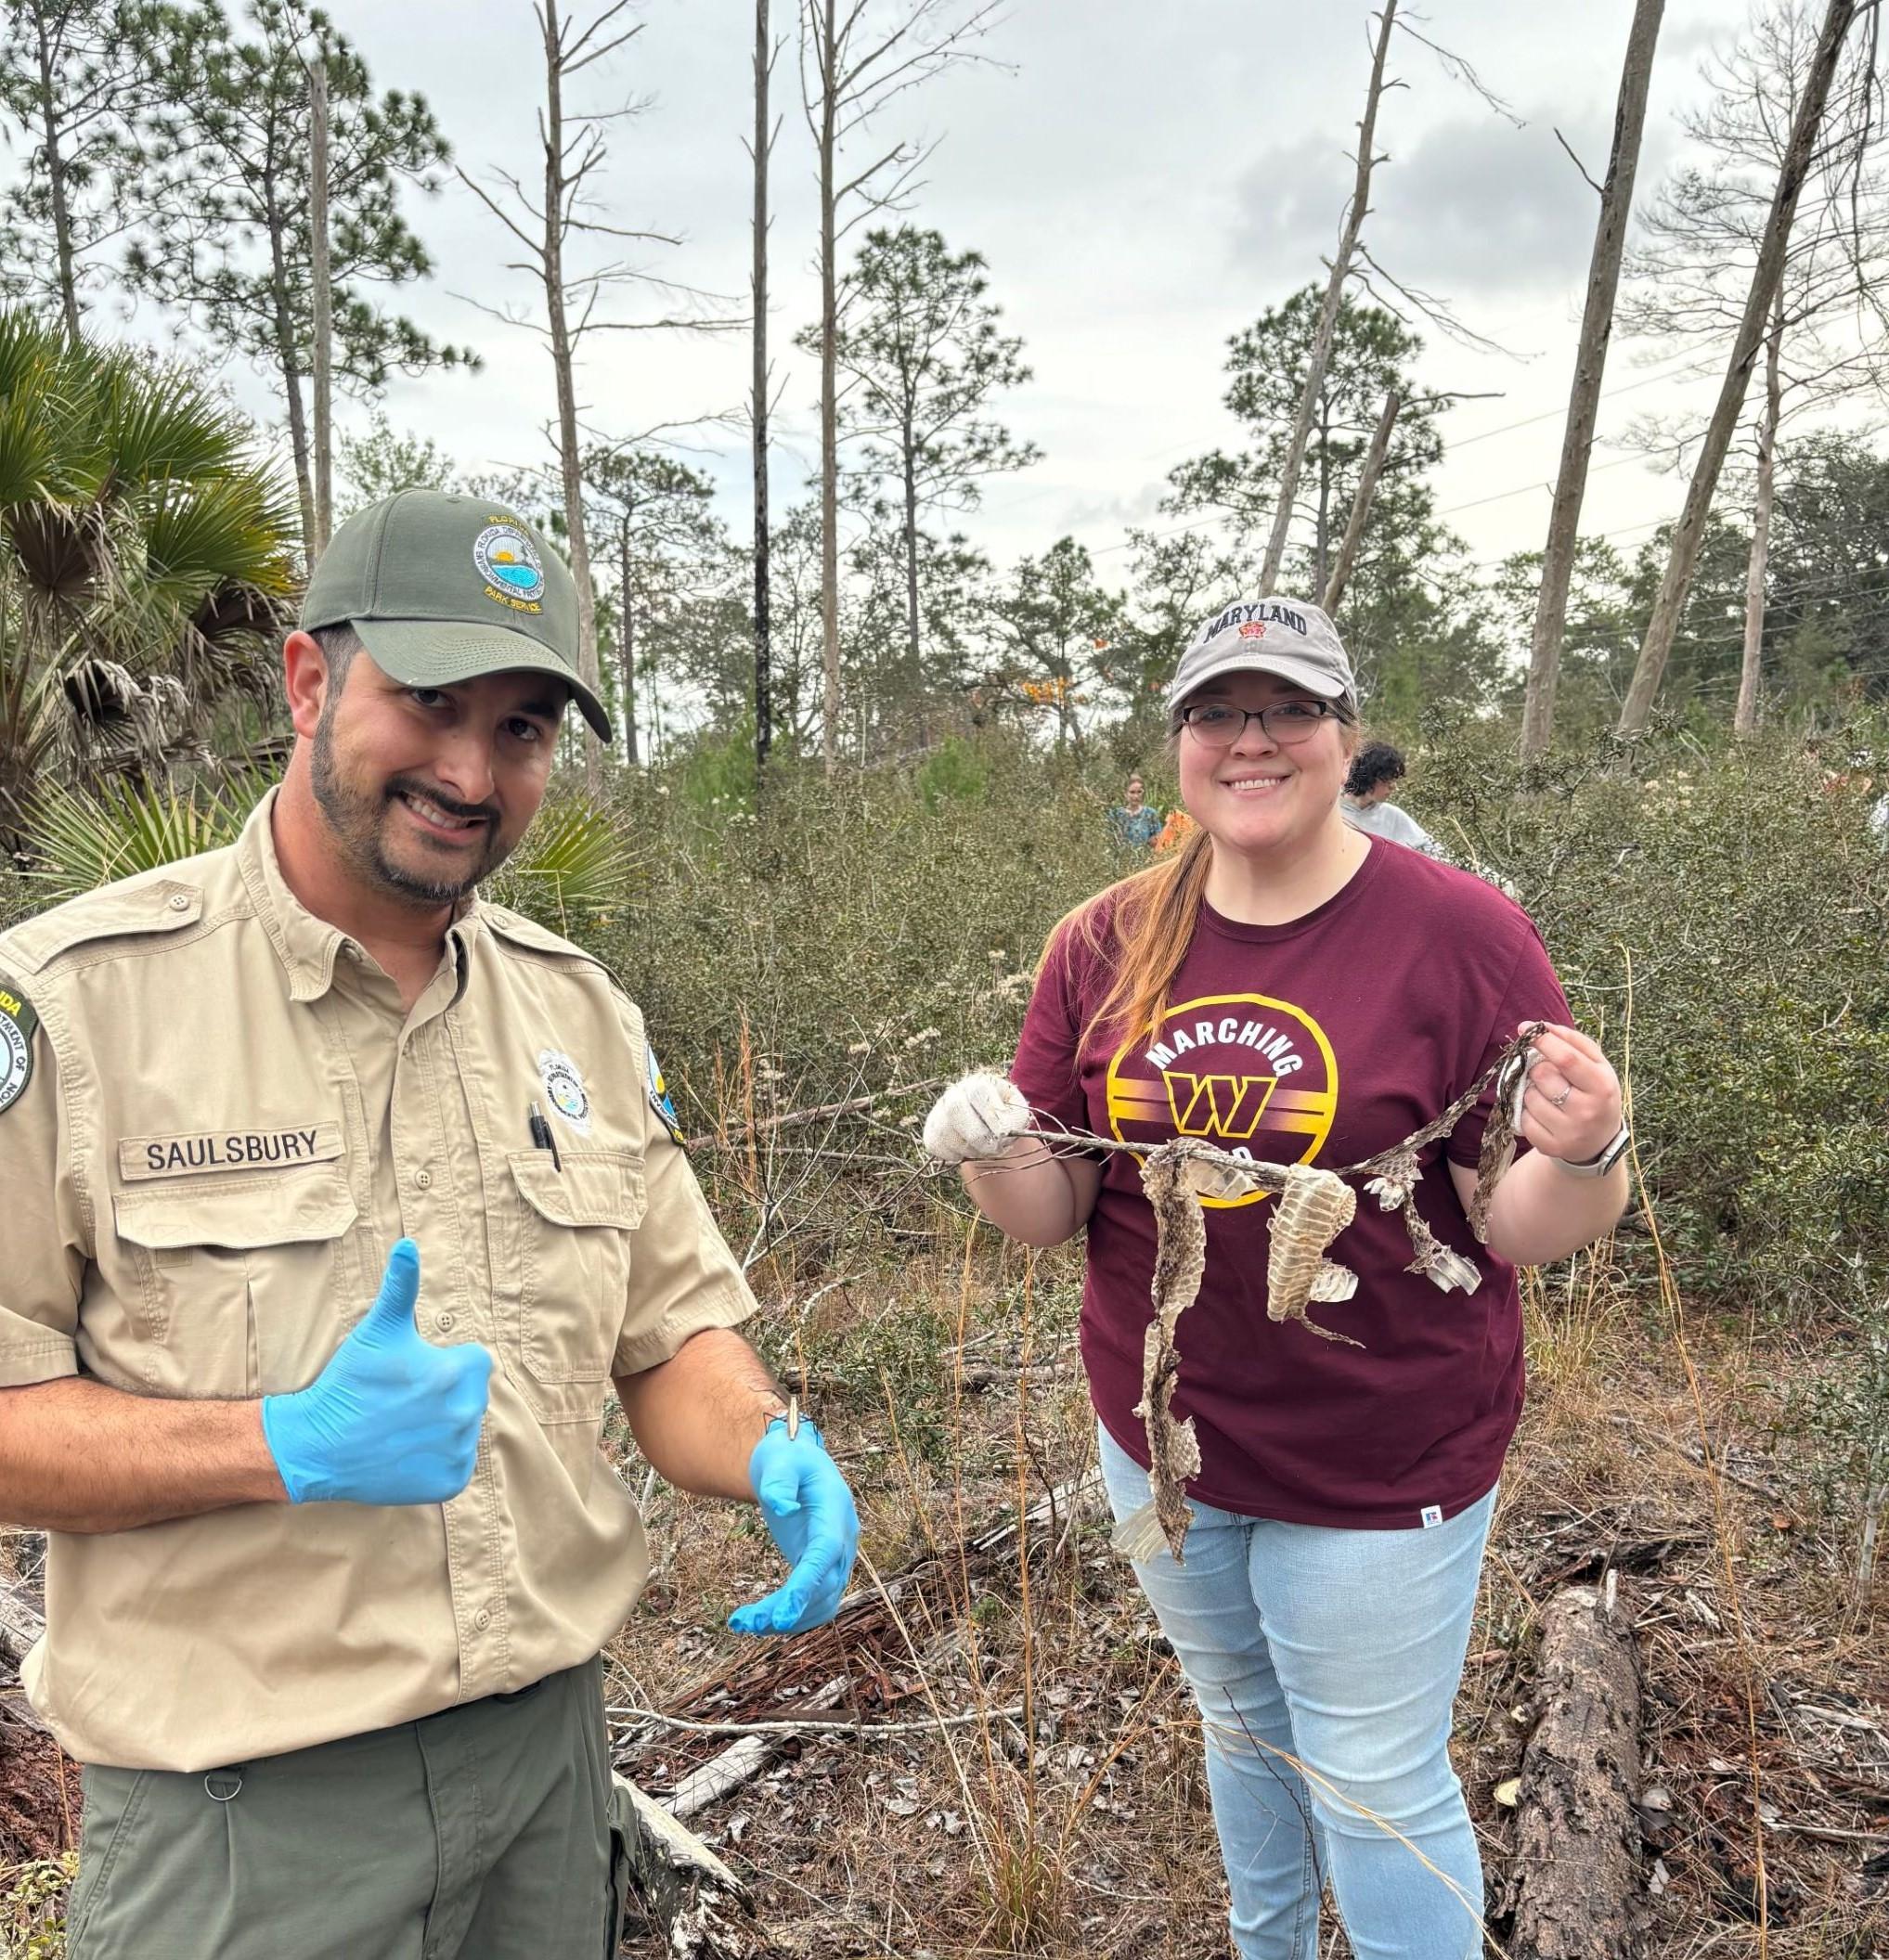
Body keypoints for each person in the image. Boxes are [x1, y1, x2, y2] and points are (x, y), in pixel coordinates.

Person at [0, 490, 860, 1960]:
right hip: (245, 1829)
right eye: (431, 703)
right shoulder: (76, 1011)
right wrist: (273, 1446)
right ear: (309, 681)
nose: (469, 769)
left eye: (521, 727)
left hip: (546, 1778)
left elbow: (668, 1337)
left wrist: (767, 1438)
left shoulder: (576, 1009)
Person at [923, 596, 1628, 1960]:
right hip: (1168, 1446)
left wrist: (1590, 1147)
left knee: (1368, 1778)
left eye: (1287, 709)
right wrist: (987, 1149)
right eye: (1216, 713)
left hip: (1381, 1450)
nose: (1251, 741)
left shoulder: (1461, 934)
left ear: (1341, 735)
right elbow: (1054, 1208)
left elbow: (1511, 1226)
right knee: (1238, 1720)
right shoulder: (1102, 939)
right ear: (1179, 743)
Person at [1340, 739, 1442, 855]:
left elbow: (1433, 849)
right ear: (1370, 777)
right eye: (1388, 780)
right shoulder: (1333, 812)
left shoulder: (1391, 816)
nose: (1393, 787)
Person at [1107, 773, 1163, 849]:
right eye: (1132, 792)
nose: (1136, 796)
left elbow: (1159, 839)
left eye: (1139, 792)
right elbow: (1109, 840)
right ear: (1125, 794)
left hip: (1146, 859)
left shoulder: (1150, 814)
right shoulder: (1116, 815)